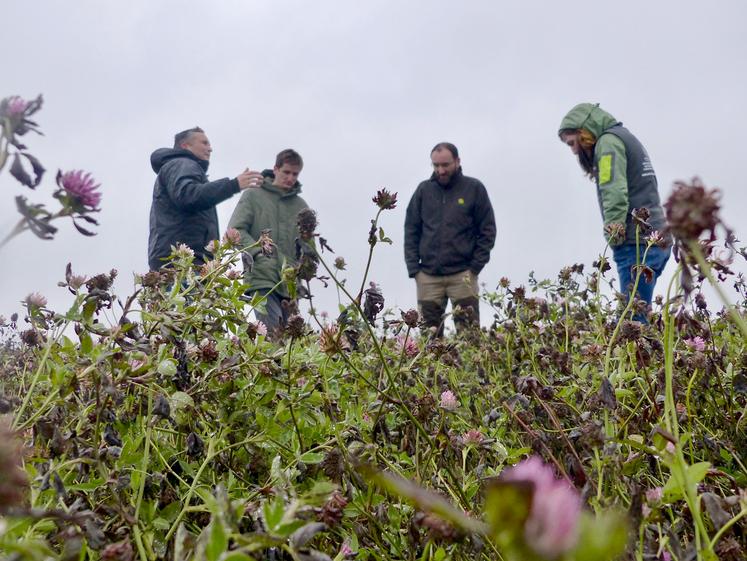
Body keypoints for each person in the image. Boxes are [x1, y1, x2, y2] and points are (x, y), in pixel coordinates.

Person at [558, 103, 671, 319]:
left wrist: (614, 232)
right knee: (641, 313)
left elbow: (614, 188)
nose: (573, 150)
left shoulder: (608, 143)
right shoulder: (624, 137)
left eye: (573, 142)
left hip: (636, 242)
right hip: (658, 237)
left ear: (585, 131)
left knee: (632, 320)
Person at [404, 142, 496, 336]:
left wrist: (474, 268)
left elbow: (487, 230)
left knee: (470, 337)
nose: (441, 170)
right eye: (436, 166)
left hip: (462, 275)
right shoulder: (423, 191)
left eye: (445, 165)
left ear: (457, 161)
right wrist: (415, 270)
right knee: (429, 340)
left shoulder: (474, 189)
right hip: (428, 277)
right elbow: (411, 229)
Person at [148, 126, 262, 270]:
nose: (210, 149)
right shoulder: (182, 164)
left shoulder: (181, 167)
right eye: (204, 143)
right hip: (182, 262)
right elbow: (188, 195)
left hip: (184, 260)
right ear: (185, 146)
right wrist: (233, 185)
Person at [228, 149, 309, 333]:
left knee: (290, 341)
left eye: (295, 174)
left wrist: (303, 270)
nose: (290, 178)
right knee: (272, 335)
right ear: (275, 169)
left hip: (291, 286)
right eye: (286, 172)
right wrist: (260, 252)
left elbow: (307, 248)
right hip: (261, 277)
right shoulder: (253, 195)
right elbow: (235, 230)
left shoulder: (301, 207)